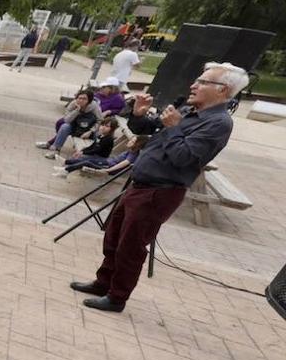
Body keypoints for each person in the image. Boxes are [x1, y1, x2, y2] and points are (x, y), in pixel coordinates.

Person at [70, 63, 246, 312]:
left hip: (160, 191)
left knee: (130, 247)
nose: (194, 85)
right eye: (197, 79)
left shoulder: (218, 123)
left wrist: (174, 127)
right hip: (141, 183)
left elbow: (183, 157)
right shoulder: (189, 110)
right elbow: (154, 135)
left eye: (203, 82)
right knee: (114, 237)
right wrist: (141, 116)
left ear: (223, 90)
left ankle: (117, 297)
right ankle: (103, 283)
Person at [37, 89, 102, 159]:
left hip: (89, 129)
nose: (81, 100)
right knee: (64, 127)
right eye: (79, 98)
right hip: (75, 127)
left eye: (84, 99)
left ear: (89, 100)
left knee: (96, 136)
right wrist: (77, 110)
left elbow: (100, 120)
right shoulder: (73, 104)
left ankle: (90, 156)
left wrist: (91, 131)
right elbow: (67, 120)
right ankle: (55, 150)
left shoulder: (94, 106)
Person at [51, 117, 122, 177]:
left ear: (112, 129)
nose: (103, 127)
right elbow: (92, 146)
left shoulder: (108, 139)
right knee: (82, 157)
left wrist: (83, 152)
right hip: (95, 155)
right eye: (102, 125)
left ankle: (66, 166)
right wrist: (82, 151)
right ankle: (65, 167)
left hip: (101, 159)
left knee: (86, 160)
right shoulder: (100, 135)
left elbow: (96, 150)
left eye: (107, 126)